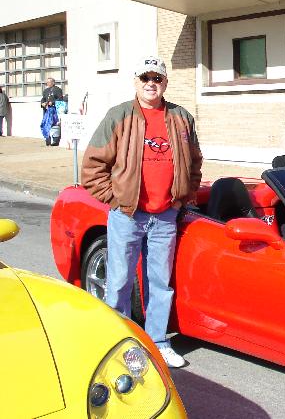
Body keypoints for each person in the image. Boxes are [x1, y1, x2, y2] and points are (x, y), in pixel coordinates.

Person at [82, 56, 203, 368]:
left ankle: (158, 342)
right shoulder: (119, 116)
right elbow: (93, 165)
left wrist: (182, 198)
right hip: (127, 216)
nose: (151, 83)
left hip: (165, 216)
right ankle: (119, 343)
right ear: (135, 82)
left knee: (160, 284)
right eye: (145, 78)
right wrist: (116, 199)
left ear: (165, 83)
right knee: (119, 282)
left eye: (157, 78)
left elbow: (194, 162)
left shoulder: (181, 117)